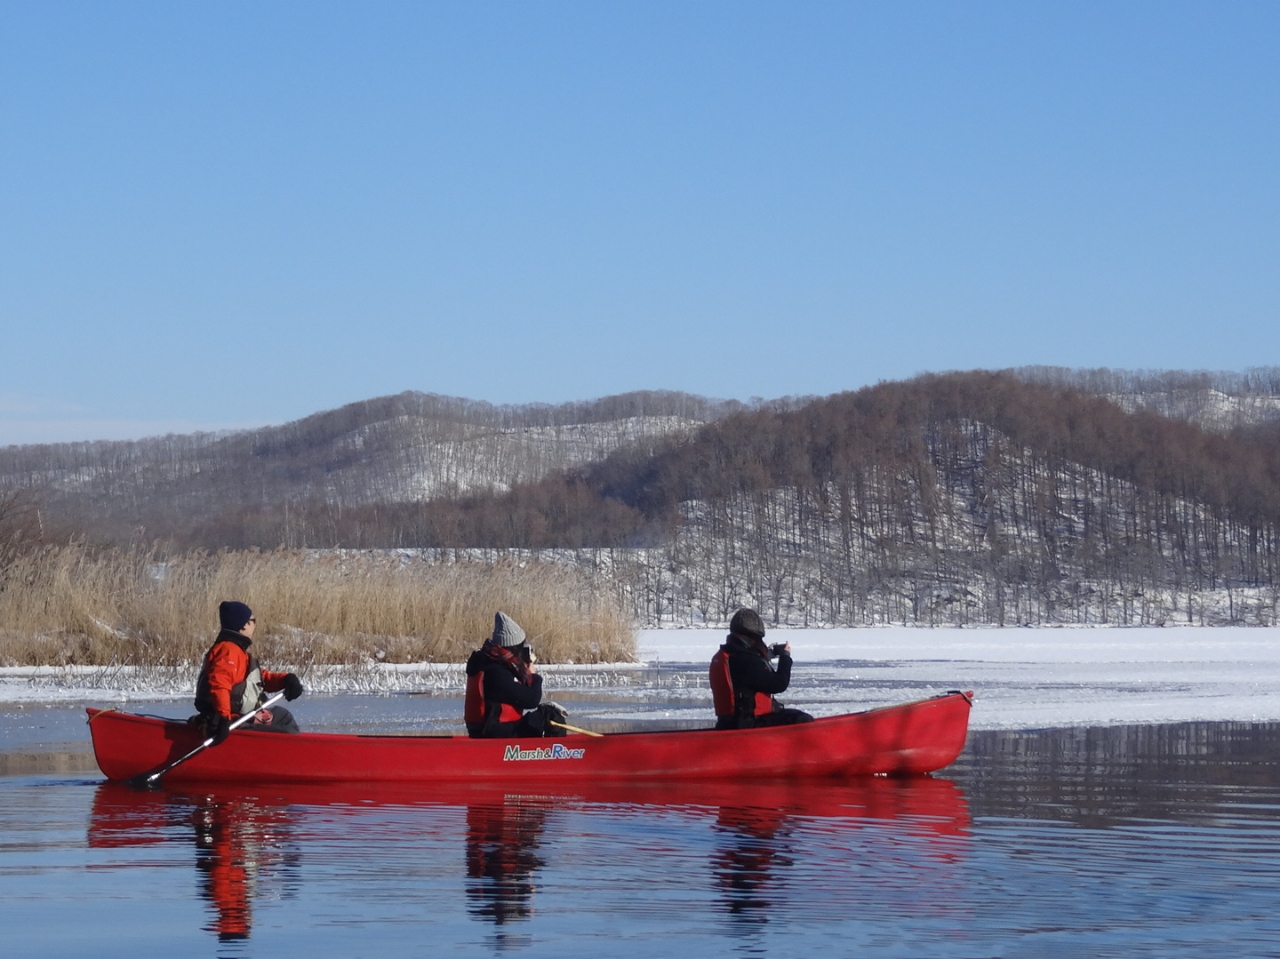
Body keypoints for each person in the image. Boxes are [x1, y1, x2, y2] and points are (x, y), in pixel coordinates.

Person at [194, 601, 304, 745]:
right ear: (244, 625)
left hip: (234, 716)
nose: (255, 625)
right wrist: (223, 719)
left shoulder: (236, 651)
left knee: (281, 715)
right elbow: (220, 685)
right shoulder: (228, 651)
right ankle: (286, 758)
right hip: (230, 720)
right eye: (253, 621)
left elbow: (257, 679)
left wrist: (286, 679)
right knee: (284, 720)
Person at [464, 612, 568, 739]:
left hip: (487, 730)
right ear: (514, 648)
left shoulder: (486, 663)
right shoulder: (496, 673)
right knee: (549, 714)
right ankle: (558, 753)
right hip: (495, 733)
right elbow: (531, 700)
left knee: (542, 714)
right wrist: (533, 675)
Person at [710, 608, 813, 730]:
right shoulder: (747, 661)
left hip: (726, 724)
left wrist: (765, 658)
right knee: (801, 720)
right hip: (749, 725)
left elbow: (748, 676)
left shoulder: (723, 656)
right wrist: (785, 658)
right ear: (753, 636)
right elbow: (779, 684)